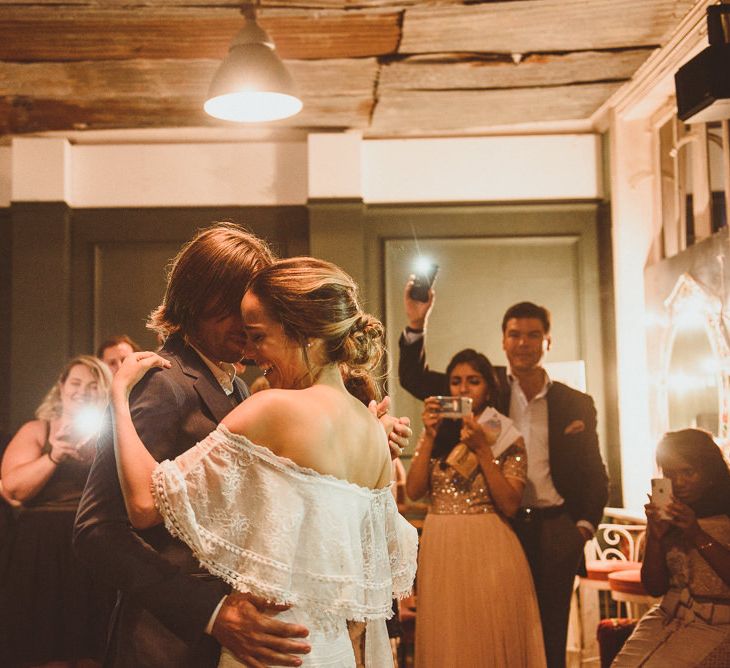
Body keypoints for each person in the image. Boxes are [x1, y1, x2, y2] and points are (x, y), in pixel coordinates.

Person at [74, 223, 412, 668]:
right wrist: (211, 613)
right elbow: (98, 530)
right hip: (171, 643)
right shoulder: (163, 382)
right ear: (198, 298)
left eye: (258, 319)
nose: (249, 326)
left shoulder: (247, 394)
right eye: (236, 309)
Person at [399, 287, 609, 668]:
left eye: (532, 335)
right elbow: (414, 377)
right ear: (503, 340)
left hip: (553, 524)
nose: (523, 343)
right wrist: (417, 321)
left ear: (548, 340)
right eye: (514, 335)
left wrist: (581, 528)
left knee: (549, 633)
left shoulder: (574, 402)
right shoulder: (483, 384)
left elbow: (595, 472)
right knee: (490, 629)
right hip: (496, 527)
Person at [406, 348, 545, 667]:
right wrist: (427, 436)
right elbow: (414, 492)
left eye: (473, 381)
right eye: (455, 382)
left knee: (485, 634)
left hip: (489, 547)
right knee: (450, 636)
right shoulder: (438, 433)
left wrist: (483, 450)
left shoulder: (504, 434)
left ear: (489, 387)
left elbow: (510, 505)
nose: (463, 389)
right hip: (441, 545)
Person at [0, 355, 113, 668]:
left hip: (93, 548)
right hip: (40, 552)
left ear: (104, 392)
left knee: (91, 650)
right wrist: (54, 456)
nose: (83, 391)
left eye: (93, 385)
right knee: (42, 649)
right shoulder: (37, 429)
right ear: (62, 387)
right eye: (75, 383)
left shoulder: (113, 435)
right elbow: (12, 488)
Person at [612, 429, 730, 667]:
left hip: (716, 624)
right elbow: (654, 588)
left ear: (709, 472)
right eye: (670, 473)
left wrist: (696, 533)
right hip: (666, 616)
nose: (679, 482)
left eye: (688, 472)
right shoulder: (668, 516)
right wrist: (655, 537)